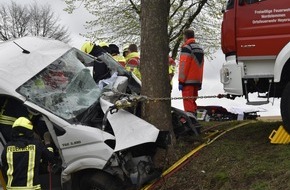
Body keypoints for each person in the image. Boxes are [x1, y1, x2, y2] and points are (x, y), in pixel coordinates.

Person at [1, 117, 57, 190]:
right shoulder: (36, 145)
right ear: (29, 131)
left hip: (11, 188)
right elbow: (51, 158)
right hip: (31, 188)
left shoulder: (7, 147)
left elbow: (5, 166)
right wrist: (48, 144)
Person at [178, 29, 204, 114]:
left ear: (185, 37)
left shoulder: (187, 48)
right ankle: (195, 119)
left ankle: (191, 122)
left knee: (188, 103)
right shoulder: (200, 48)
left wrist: (181, 81)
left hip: (188, 81)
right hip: (197, 80)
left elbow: (183, 66)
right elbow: (201, 65)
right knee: (193, 102)